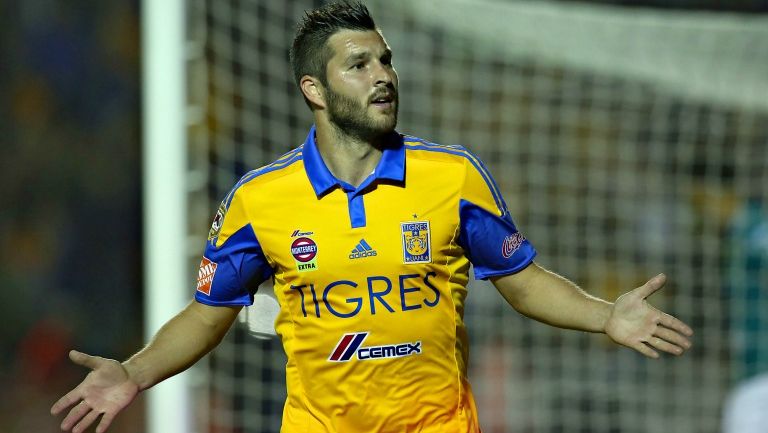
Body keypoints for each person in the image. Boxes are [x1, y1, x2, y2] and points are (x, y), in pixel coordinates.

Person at [50, 2, 694, 432]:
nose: (382, 75)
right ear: (315, 90)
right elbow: (208, 314)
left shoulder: (452, 176)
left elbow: (521, 279)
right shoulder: (260, 198)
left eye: (384, 60)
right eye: (359, 65)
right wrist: (135, 372)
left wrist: (606, 314)